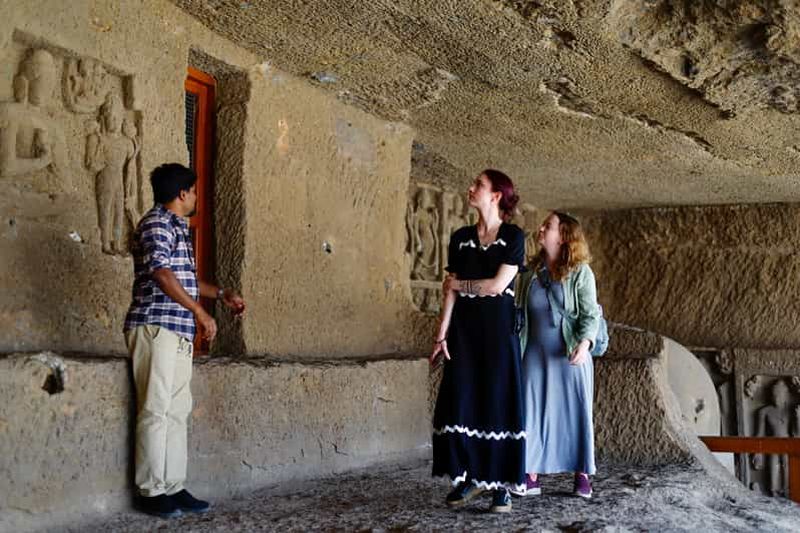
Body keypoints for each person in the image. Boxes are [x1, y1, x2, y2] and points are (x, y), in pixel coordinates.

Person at [123, 163, 245, 518]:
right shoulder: (156, 224)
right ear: (181, 193)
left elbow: (184, 280)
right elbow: (162, 274)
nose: (195, 197)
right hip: (155, 326)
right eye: (192, 191)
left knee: (176, 411)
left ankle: (173, 486)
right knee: (155, 410)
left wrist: (220, 294)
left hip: (176, 329)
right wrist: (200, 312)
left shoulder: (177, 226)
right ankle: (151, 491)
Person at [430, 169, 527, 513]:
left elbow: (497, 286)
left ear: (496, 195)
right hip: (464, 333)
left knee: (496, 401)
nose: (471, 188)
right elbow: (449, 294)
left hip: (498, 335)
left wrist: (459, 284)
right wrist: (441, 333)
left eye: (479, 185)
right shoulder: (460, 238)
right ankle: (471, 477)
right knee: (463, 400)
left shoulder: (513, 236)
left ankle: (500, 485)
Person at [514, 211, 600, 499]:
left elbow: (590, 315)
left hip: (570, 352)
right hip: (534, 352)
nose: (541, 229)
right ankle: (531, 474)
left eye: (547, 226)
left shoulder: (581, 272)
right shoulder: (529, 274)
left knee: (575, 411)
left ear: (563, 236)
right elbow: (518, 312)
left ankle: (581, 472)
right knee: (532, 411)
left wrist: (585, 344)